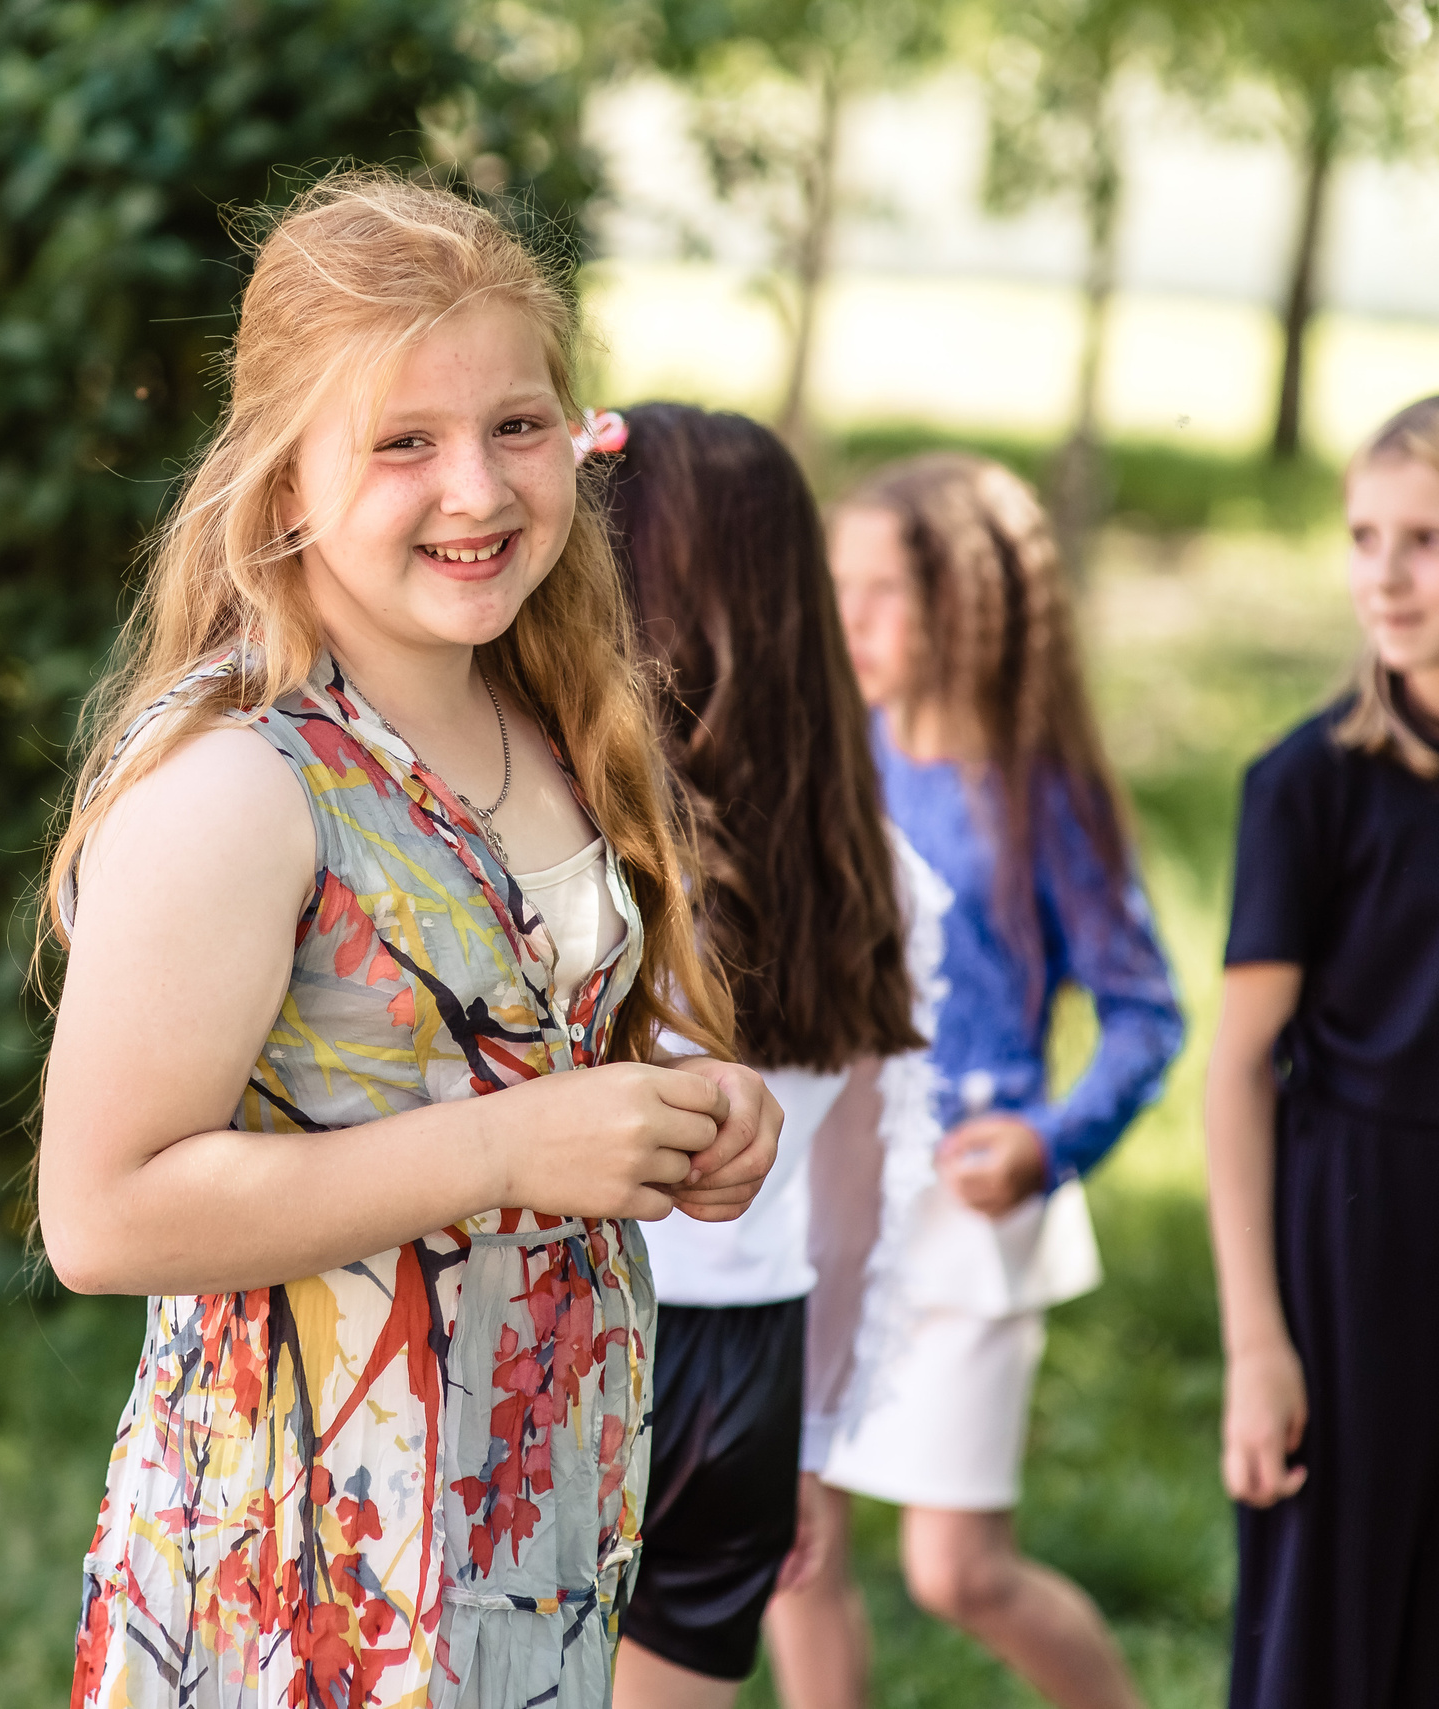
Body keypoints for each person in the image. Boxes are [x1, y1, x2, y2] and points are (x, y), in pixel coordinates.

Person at [37, 171, 784, 1709]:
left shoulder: (548, 712)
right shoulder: (242, 783)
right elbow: (102, 1216)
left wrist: (685, 1108)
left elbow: (508, 1043)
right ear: (288, 482)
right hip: (313, 1560)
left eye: (518, 425)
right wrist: (512, 1154)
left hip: (530, 1518)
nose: (479, 490)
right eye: (403, 444)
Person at [1208, 388, 1439, 1707]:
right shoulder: (1308, 785)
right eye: (1367, 537)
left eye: (1430, 540)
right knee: (1331, 1632)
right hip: (1344, 1244)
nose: (1387, 574)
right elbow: (1240, 1069)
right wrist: (1258, 1347)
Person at [798, 452, 1183, 1709]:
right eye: (833, 585)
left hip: (969, 1216)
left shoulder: (1040, 800)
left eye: (879, 593)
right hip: (827, 1205)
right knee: (795, 1547)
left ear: (967, 608)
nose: (844, 619)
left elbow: (1143, 1015)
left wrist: (1048, 1141)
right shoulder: (829, 758)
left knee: (958, 1570)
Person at [599, 404, 939, 1709]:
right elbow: (853, 1202)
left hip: (581, 1331)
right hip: (755, 1363)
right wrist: (811, 1433)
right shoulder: (870, 869)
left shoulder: (582, 844)